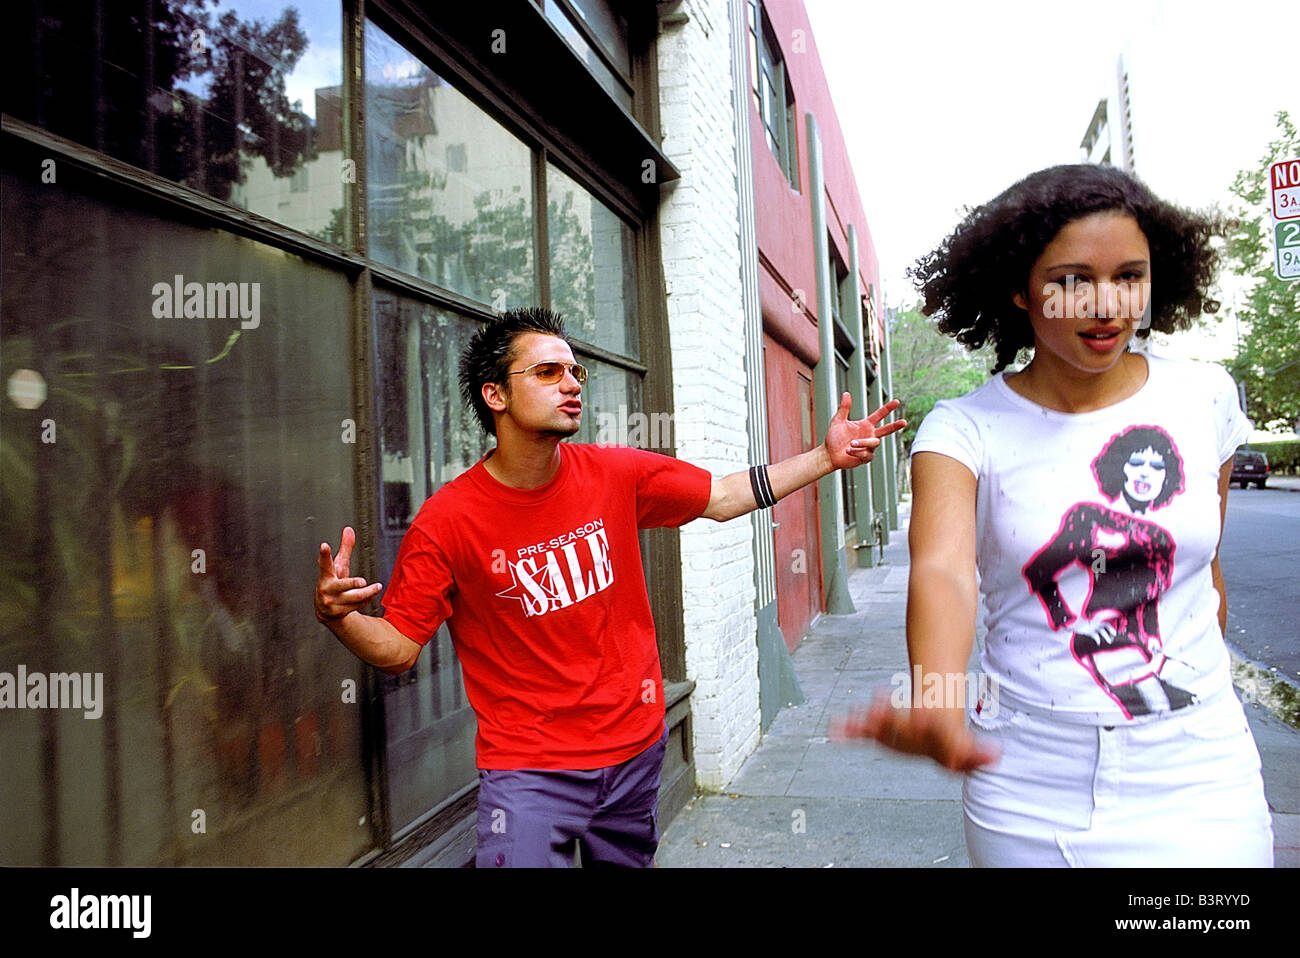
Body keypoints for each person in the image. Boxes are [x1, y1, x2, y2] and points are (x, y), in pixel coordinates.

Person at [315, 306, 904, 867]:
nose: (571, 383)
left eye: (575, 371)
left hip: (635, 750)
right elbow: (398, 648)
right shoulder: (446, 522)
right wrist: (343, 618)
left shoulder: (616, 473)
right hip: (530, 772)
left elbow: (723, 498)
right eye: (547, 372)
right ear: (495, 395)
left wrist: (825, 459)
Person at [833, 164, 1274, 867]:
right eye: (1072, 280)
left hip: (1197, 769)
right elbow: (945, 571)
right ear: (1020, 288)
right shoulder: (962, 428)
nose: (1106, 304)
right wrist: (938, 701)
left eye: (1129, 276)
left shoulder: (1205, 398)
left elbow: (1205, 574)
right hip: (1026, 775)